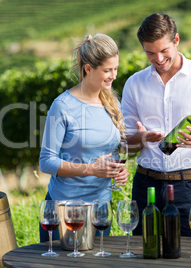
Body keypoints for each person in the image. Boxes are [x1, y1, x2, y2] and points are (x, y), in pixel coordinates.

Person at [121, 13, 191, 237]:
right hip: (146, 186)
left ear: (177, 40)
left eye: (164, 51)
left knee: (190, 257)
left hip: (189, 187)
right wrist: (140, 139)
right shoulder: (134, 84)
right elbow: (127, 146)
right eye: (150, 53)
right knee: (145, 256)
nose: (159, 59)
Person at [39, 33, 129, 242]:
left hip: (100, 211)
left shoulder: (112, 103)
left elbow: (110, 152)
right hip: (65, 211)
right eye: (107, 70)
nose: (113, 75)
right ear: (88, 69)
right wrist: (90, 169)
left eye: (115, 68)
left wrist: (118, 170)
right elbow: (46, 162)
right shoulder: (62, 106)